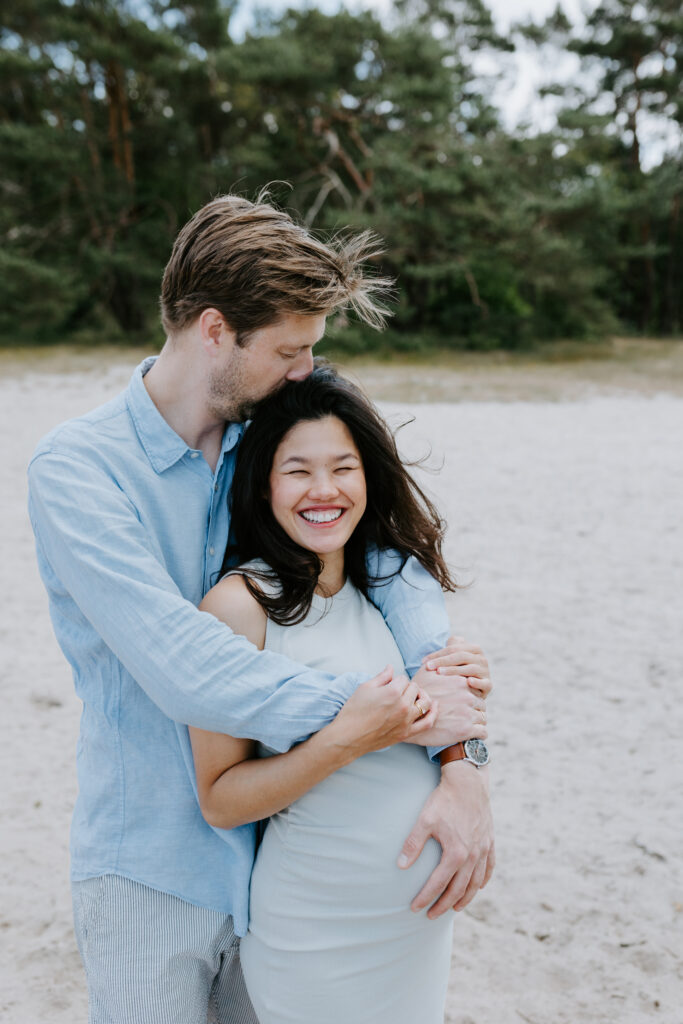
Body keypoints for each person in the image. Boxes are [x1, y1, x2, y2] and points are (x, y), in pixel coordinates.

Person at [27, 192, 494, 1024]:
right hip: (150, 870)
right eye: (290, 348)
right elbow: (186, 666)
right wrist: (389, 710)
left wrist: (454, 731)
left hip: (279, 862)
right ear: (215, 331)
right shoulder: (78, 472)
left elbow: (385, 554)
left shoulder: (264, 436)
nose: (305, 369)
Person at [189, 363, 490, 1023]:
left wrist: (467, 769)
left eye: (342, 467)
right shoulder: (239, 607)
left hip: (413, 932)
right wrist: (349, 737)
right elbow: (220, 797)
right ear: (263, 482)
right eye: (297, 470)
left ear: (368, 475)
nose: (322, 491)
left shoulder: (388, 586)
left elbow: (455, 722)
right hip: (314, 930)